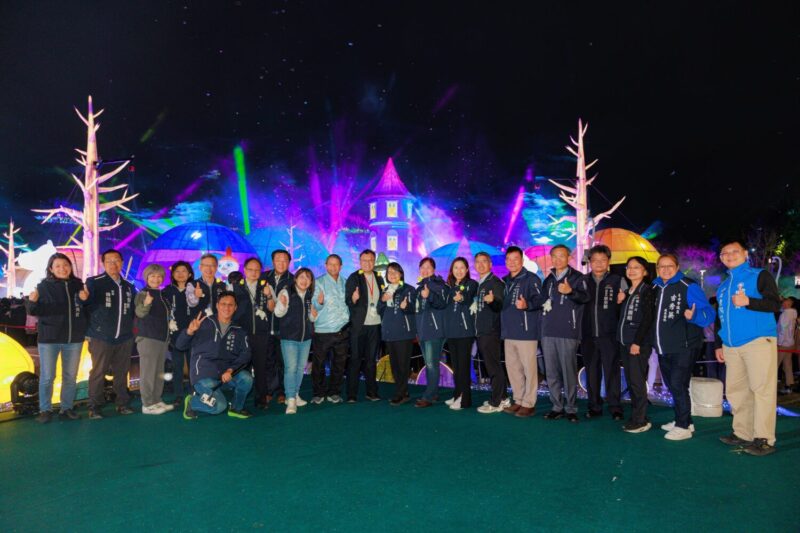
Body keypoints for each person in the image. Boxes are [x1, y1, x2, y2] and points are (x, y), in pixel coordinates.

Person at [715, 240, 781, 455]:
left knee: (762, 391)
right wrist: (719, 344)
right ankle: (742, 432)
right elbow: (720, 318)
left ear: (745, 254)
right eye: (724, 253)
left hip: (757, 341)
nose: (729, 255)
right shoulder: (723, 286)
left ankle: (764, 438)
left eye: (734, 251)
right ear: (721, 258)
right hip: (730, 346)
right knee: (736, 391)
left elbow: (775, 304)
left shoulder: (760, 275)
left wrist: (749, 302)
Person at [652, 253, 715, 441]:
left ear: (677, 267)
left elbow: (709, 314)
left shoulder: (688, 286)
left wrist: (694, 316)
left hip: (685, 346)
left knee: (677, 384)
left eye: (669, 266)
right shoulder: (655, 287)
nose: (665, 270)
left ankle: (683, 426)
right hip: (663, 347)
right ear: (657, 269)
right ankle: (685, 420)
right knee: (674, 385)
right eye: (661, 266)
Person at [25, 253, 88, 423]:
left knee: (70, 377)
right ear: (51, 269)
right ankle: (45, 410)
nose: (62, 268)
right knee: (47, 377)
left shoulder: (78, 285)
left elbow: (86, 310)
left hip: (74, 339)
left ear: (70, 267)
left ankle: (66, 408)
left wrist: (85, 301)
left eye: (65, 265)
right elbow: (33, 311)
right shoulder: (44, 286)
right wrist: (32, 302)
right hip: (49, 339)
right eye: (58, 266)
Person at [176, 291, 253, 419]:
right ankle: (192, 402)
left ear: (235, 307)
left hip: (225, 375)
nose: (227, 307)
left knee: (246, 378)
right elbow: (179, 346)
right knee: (219, 406)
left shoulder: (239, 330)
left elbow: (246, 354)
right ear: (217, 305)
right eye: (223, 304)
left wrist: (231, 369)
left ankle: (236, 408)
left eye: (230, 305)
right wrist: (189, 331)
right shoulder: (203, 323)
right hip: (203, 375)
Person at [84, 249, 137, 419]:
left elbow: (133, 311)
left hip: (125, 337)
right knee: (98, 372)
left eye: (117, 261)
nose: (113, 264)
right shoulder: (94, 282)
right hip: (101, 337)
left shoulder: (128, 286)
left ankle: (122, 403)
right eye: (109, 261)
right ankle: (94, 406)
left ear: (122, 263)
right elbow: (85, 303)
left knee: (122, 372)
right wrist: (82, 298)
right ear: (103, 263)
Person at [540, 245, 590, 422]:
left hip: (568, 331)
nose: (557, 259)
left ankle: (571, 408)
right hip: (548, 331)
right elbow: (542, 302)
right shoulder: (549, 279)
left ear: (569, 257)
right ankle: (557, 406)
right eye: (554, 256)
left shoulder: (578, 277)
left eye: (561, 256)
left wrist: (571, 292)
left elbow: (586, 298)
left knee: (568, 372)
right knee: (551, 372)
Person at [581, 245, 627, 420]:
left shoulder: (618, 280)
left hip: (610, 335)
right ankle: (594, 406)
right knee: (592, 372)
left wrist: (624, 299)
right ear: (590, 262)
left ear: (609, 261)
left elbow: (627, 304)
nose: (599, 263)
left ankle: (615, 407)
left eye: (603, 260)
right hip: (588, 335)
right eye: (595, 260)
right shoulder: (583, 281)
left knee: (612, 372)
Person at [500, 246, 544, 418]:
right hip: (508, 332)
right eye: (509, 259)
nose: (512, 262)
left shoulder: (531, 278)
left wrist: (527, 305)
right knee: (513, 369)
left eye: (515, 259)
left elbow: (540, 300)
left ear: (522, 260)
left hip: (526, 332)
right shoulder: (505, 281)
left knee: (529, 370)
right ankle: (518, 399)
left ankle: (529, 403)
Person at [617, 256, 655, 433]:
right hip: (625, 342)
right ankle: (637, 416)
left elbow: (648, 319)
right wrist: (620, 301)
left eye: (636, 267)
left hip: (637, 344)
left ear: (645, 271)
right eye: (629, 267)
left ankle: (640, 419)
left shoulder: (647, 291)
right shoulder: (628, 291)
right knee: (632, 380)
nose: (631, 270)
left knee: (637, 381)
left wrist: (637, 342)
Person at [273, 268, 318, 414]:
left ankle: (295, 394)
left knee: (300, 368)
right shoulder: (286, 292)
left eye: (308, 278)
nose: (304, 280)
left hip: (306, 338)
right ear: (296, 279)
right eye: (302, 277)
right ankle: (290, 399)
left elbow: (311, 318)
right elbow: (278, 313)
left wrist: (314, 315)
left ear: (311, 282)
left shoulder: (309, 295)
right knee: (291, 368)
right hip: (289, 338)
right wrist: (282, 304)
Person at [134, 264, 175, 415]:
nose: (156, 279)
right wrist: (146, 304)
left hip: (162, 338)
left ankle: (156, 399)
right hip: (148, 337)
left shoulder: (162, 295)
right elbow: (139, 312)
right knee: (148, 372)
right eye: (152, 276)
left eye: (159, 276)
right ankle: (147, 403)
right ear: (146, 277)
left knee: (158, 372)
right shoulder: (143, 293)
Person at [232, 257, 273, 409]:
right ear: (244, 270)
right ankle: (239, 400)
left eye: (257, 270)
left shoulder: (265, 286)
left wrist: (269, 295)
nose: (254, 272)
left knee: (260, 367)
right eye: (250, 269)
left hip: (261, 334)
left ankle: (261, 398)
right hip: (242, 334)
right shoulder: (235, 287)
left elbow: (272, 308)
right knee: (242, 367)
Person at [345, 249, 385, 402]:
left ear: (374, 262)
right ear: (360, 261)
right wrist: (353, 299)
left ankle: (372, 392)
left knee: (371, 360)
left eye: (370, 260)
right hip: (359, 326)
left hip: (375, 325)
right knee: (355, 360)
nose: (367, 263)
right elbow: (348, 300)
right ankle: (351, 394)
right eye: (364, 260)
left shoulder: (379, 277)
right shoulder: (354, 277)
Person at [310, 254, 350, 404]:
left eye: (336, 264)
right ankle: (318, 393)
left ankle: (334, 392)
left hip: (342, 330)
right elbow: (314, 305)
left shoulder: (346, 282)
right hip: (323, 330)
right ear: (326, 265)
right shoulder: (319, 282)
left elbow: (349, 304)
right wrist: (319, 302)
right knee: (319, 364)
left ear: (341, 266)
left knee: (339, 364)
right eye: (330, 264)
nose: (333, 267)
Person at [474, 252, 509, 414]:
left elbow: (499, 305)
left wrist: (493, 301)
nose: (480, 265)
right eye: (477, 262)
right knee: (492, 365)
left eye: (484, 261)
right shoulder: (481, 283)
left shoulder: (495, 282)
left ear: (490, 264)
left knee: (493, 367)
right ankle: (503, 397)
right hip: (482, 330)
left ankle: (496, 402)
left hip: (490, 331)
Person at [378, 262, 417, 405]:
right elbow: (379, 310)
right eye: (389, 272)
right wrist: (383, 301)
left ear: (401, 274)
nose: (392, 275)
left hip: (404, 333)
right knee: (394, 365)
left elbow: (414, 308)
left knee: (403, 365)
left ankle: (401, 393)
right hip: (389, 332)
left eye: (395, 272)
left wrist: (405, 307)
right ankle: (402, 392)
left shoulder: (409, 289)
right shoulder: (385, 290)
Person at [162, 260, 200, 406]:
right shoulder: (166, 291)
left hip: (193, 333)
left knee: (193, 366)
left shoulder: (195, 289)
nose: (180, 274)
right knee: (177, 366)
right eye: (177, 271)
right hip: (175, 334)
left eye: (184, 271)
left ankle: (193, 393)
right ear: (172, 274)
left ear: (190, 274)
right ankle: (178, 395)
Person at [443, 257, 478, 410]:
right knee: (456, 366)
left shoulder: (471, 284)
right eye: (456, 268)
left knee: (463, 366)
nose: (459, 270)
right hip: (451, 332)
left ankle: (465, 399)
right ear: (452, 270)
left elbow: (468, 296)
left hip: (465, 332)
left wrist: (461, 297)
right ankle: (457, 394)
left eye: (462, 267)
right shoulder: (449, 286)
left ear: (467, 269)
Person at [260, 249, 295, 405]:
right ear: (273, 261)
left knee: (282, 361)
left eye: (285, 260)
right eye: (278, 260)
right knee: (268, 360)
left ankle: (281, 391)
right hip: (265, 327)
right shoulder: (263, 278)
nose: (281, 263)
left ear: (289, 263)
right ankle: (269, 390)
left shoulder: (293, 281)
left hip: (284, 328)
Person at [414, 257, 449, 408]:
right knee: (429, 364)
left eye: (428, 267)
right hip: (423, 331)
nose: (425, 270)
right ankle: (433, 393)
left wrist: (430, 296)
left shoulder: (440, 285)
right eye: (422, 267)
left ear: (434, 269)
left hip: (434, 331)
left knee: (431, 364)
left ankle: (428, 396)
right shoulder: (419, 287)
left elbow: (443, 303)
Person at [777, 297, 797, 394]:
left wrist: (779, 343)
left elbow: (783, 329)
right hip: (790, 343)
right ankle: (789, 386)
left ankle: (769, 387)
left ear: (789, 303)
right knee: (788, 365)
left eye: (784, 302)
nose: (782, 303)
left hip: (783, 344)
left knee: (774, 365)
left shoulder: (785, 314)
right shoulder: (793, 313)